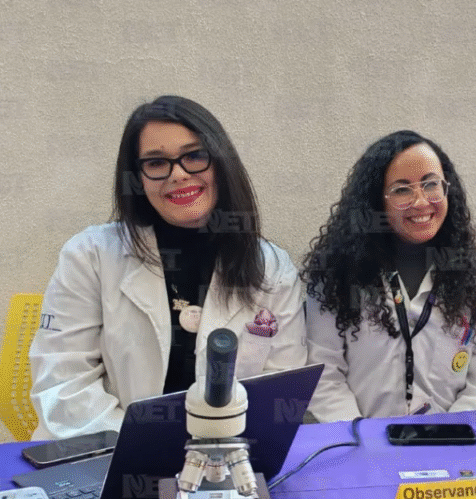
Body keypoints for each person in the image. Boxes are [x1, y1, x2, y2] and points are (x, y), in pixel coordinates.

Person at [30, 96, 306, 439]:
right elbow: (63, 380)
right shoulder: (91, 255)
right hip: (108, 451)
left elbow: (280, 388)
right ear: (138, 177)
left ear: (221, 164)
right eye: (157, 162)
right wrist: (143, 447)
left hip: (231, 458)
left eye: (194, 156)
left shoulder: (272, 269)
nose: (178, 174)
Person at [302, 130, 476, 422]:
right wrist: (365, 438)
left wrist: (446, 434)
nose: (421, 201)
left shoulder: (472, 275)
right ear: (377, 201)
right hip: (362, 446)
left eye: (430, 184)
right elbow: (324, 374)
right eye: (402, 189)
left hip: (450, 446)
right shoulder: (336, 275)